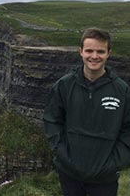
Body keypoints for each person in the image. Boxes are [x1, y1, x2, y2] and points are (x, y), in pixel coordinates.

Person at [43, 27, 130, 196]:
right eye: (89, 50)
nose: (94, 56)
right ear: (81, 52)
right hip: (69, 174)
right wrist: (64, 157)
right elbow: (52, 121)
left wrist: (114, 163)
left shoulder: (122, 91)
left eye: (100, 51)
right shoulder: (64, 86)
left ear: (108, 53)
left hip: (105, 178)